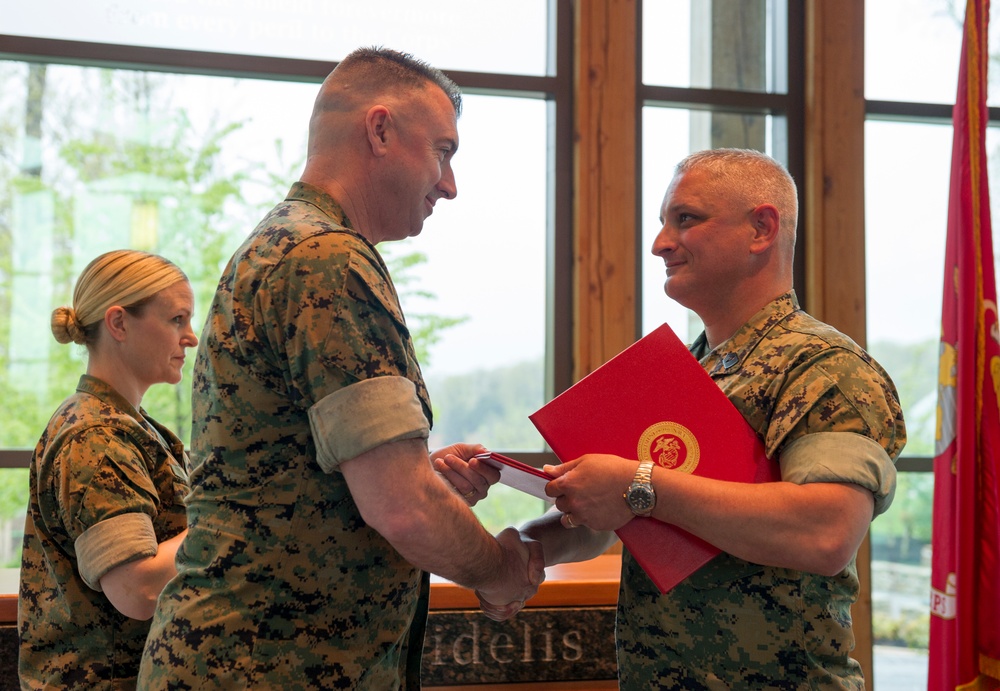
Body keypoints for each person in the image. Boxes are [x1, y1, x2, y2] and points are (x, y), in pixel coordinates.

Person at [138, 46, 543, 690]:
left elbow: (309, 480)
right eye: (444, 151)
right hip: (268, 667)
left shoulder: (289, 244)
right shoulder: (326, 258)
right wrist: (499, 568)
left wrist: (424, 478)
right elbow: (403, 508)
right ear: (380, 130)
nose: (449, 184)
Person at [482, 148, 906, 689]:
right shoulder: (689, 368)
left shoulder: (826, 367)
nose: (659, 243)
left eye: (685, 219)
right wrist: (527, 546)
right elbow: (623, 525)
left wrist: (641, 485)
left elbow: (824, 533)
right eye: (663, 222)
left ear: (760, 229)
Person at [18, 249, 198, 689]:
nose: (191, 337)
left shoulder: (129, 426)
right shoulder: (95, 438)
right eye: (177, 319)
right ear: (118, 323)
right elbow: (136, 589)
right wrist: (234, 518)